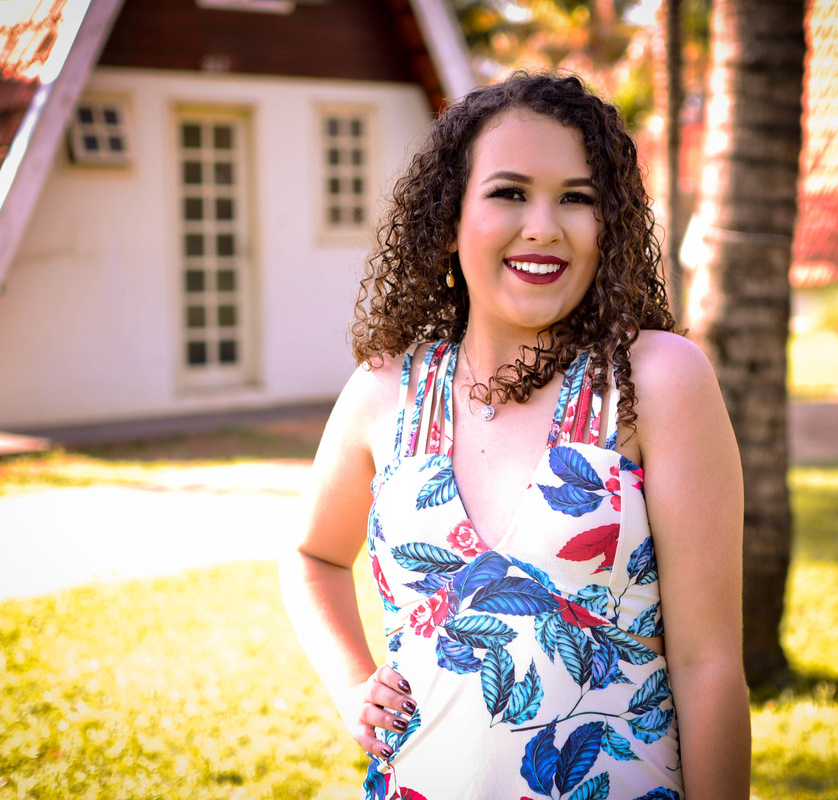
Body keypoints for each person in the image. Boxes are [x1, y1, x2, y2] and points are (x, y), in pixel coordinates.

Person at [281, 72, 749, 800]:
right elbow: (312, 555)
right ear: (449, 219)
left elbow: (708, 663)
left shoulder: (656, 380)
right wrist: (352, 686)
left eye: (577, 198)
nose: (544, 226)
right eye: (509, 192)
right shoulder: (384, 391)